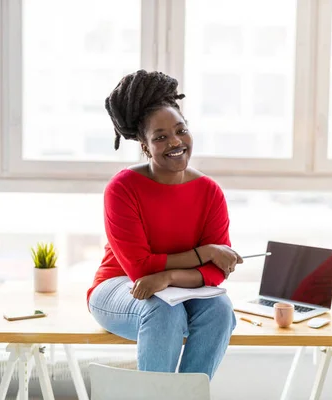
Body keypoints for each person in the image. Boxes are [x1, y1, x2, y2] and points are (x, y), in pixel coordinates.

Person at [87, 70, 243, 379]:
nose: (175, 142)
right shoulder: (122, 188)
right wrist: (207, 251)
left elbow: (216, 272)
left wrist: (170, 275)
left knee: (221, 312)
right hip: (120, 285)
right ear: (145, 146)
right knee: (163, 311)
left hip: (178, 288)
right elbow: (141, 269)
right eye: (160, 137)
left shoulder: (209, 191)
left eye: (180, 130)